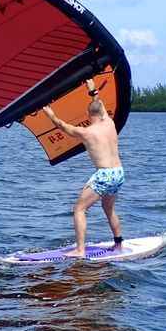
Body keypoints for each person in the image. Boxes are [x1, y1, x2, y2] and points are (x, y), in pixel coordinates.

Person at [42, 78, 125, 258]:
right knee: (109, 209)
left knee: (79, 209)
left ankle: (79, 250)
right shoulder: (110, 122)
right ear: (102, 112)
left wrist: (49, 114)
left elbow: (62, 126)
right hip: (119, 172)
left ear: (89, 116)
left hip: (104, 175)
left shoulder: (86, 132)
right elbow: (99, 104)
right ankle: (118, 245)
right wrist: (93, 89)